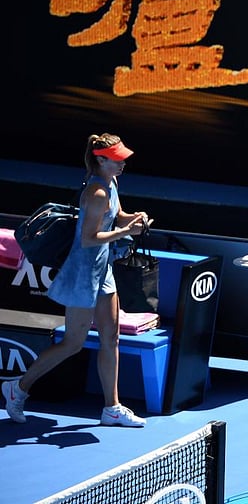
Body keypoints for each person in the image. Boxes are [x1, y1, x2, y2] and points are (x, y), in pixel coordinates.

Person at [2, 133, 151, 426]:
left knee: (111, 338)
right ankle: (17, 388)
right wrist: (125, 233)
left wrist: (134, 218)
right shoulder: (96, 193)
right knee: (73, 342)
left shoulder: (112, 183)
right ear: (101, 159)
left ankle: (112, 407)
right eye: (116, 159)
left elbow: (118, 215)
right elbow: (88, 238)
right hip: (83, 274)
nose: (122, 164)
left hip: (103, 269)